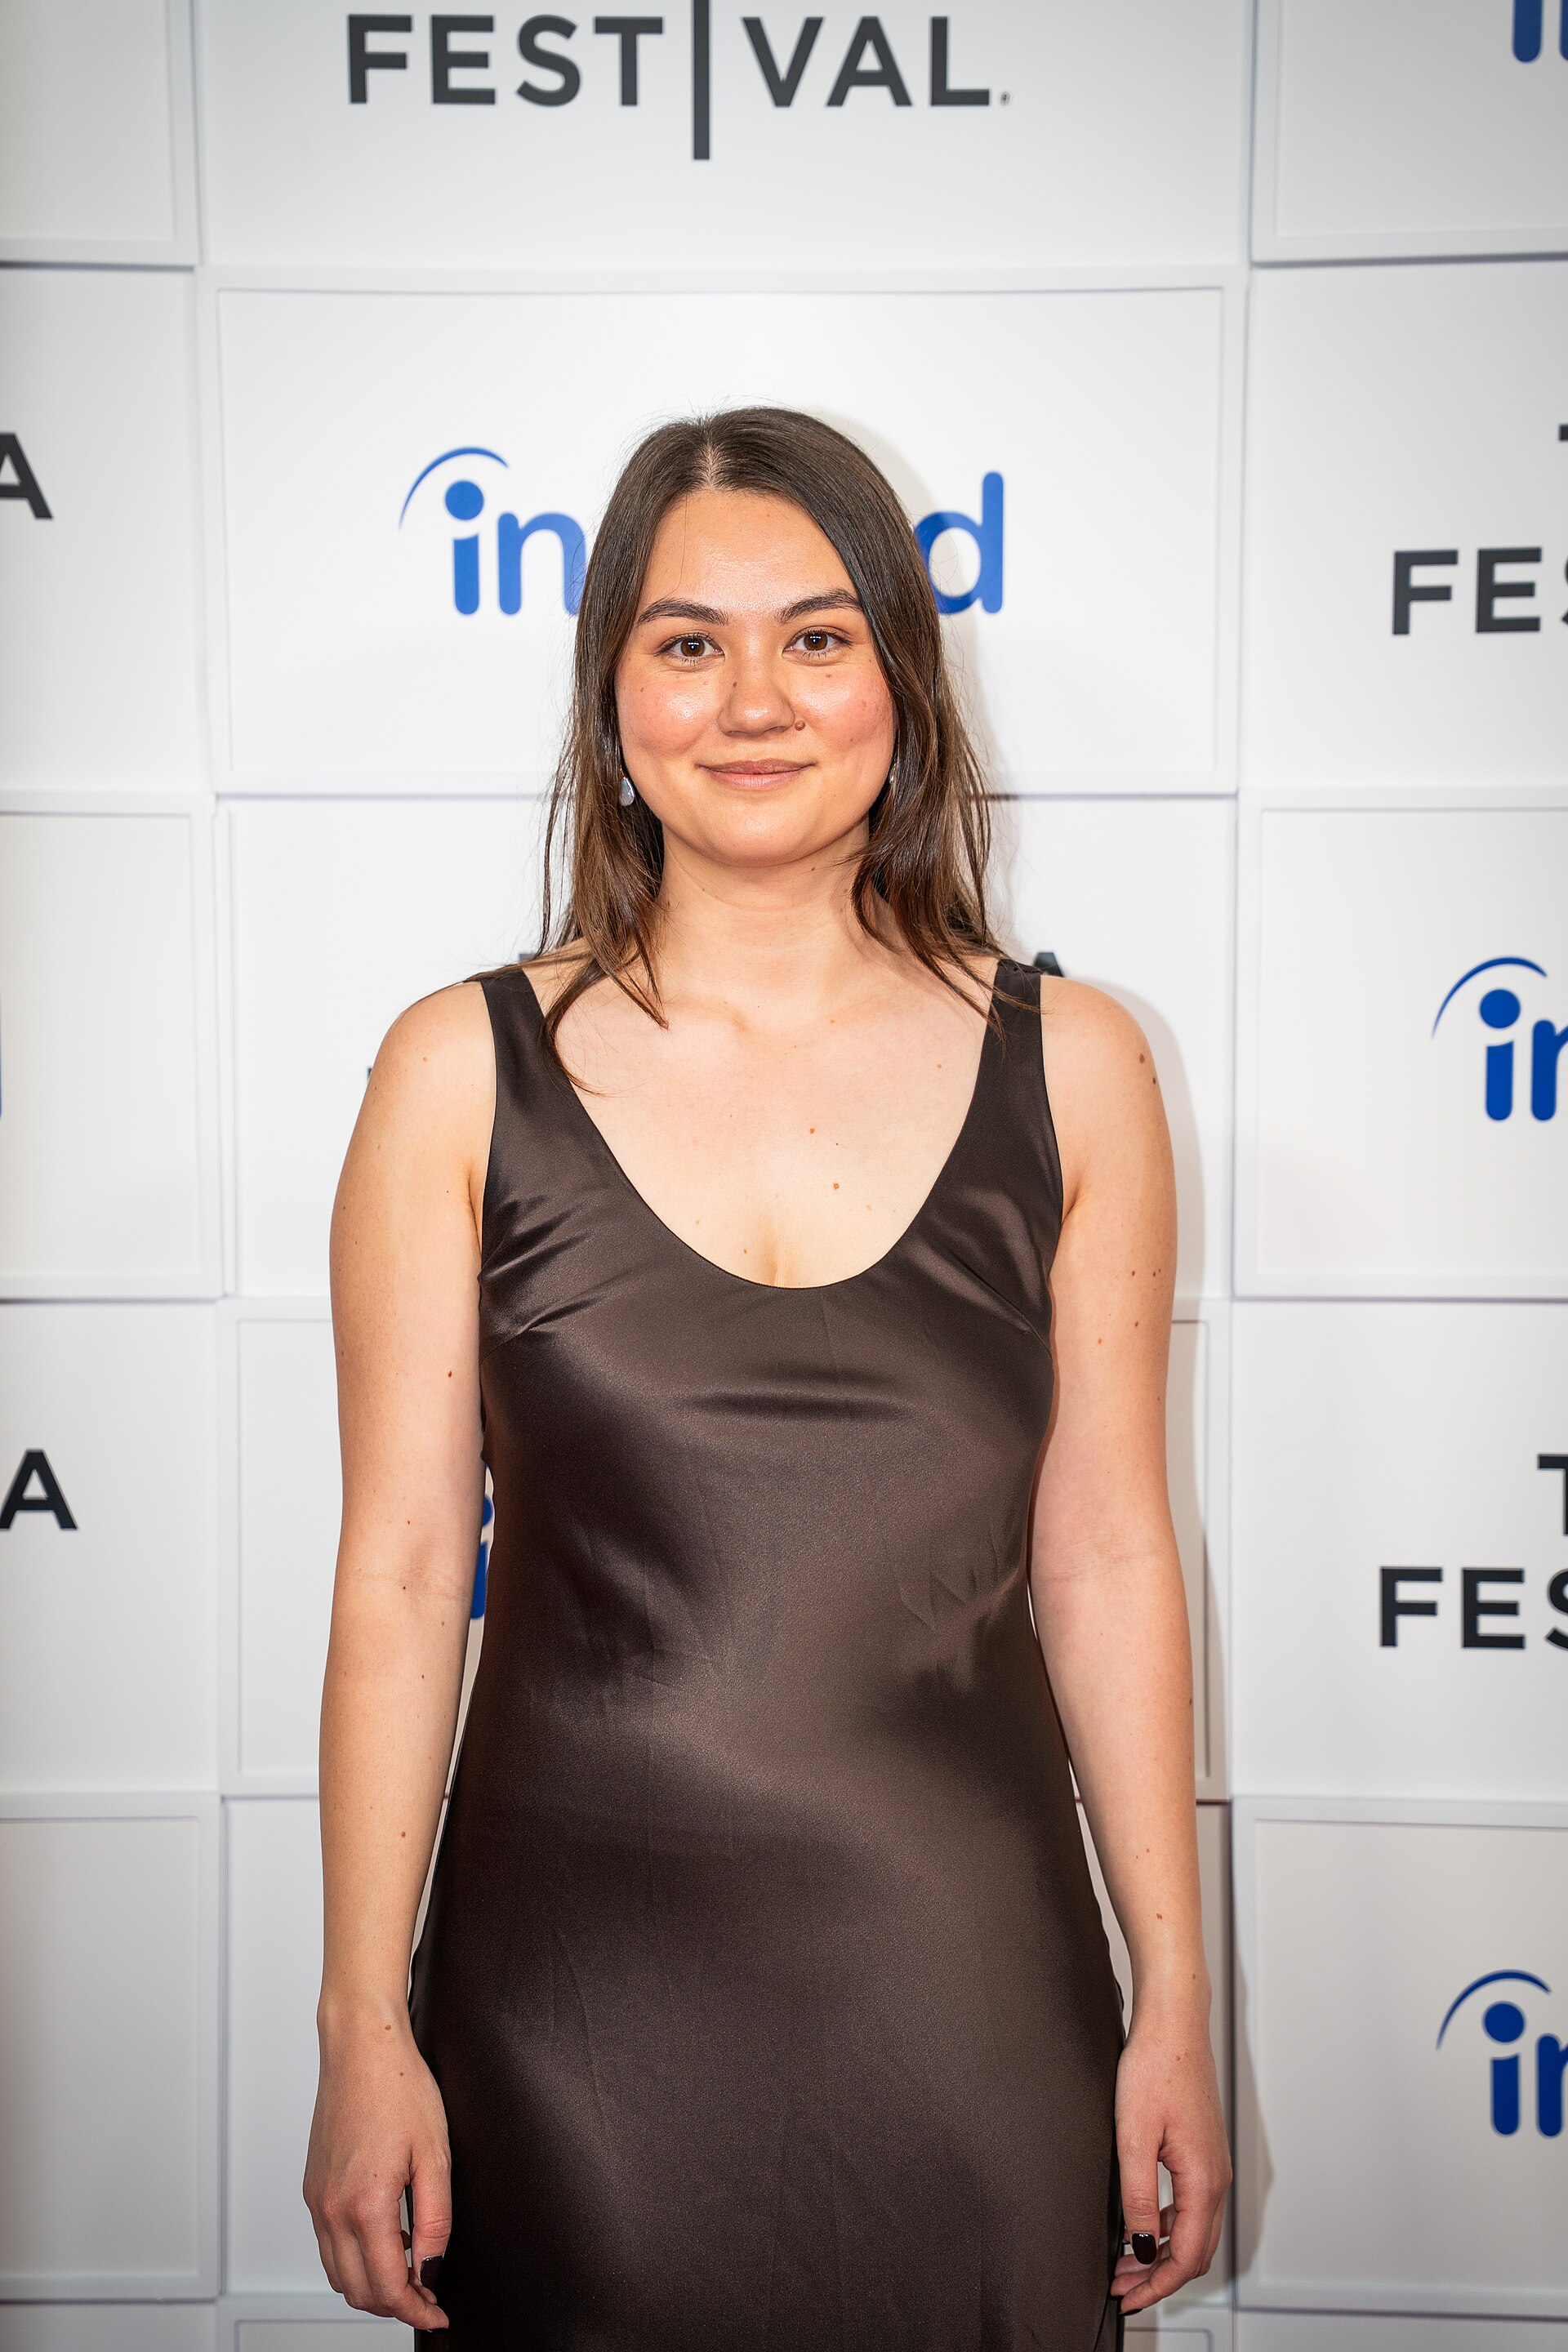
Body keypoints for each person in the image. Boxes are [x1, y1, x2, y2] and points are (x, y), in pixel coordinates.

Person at [304, 406, 1230, 2347]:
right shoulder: (457, 1072)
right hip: (569, 2009)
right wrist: (362, 2023)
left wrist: (1174, 1999)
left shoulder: (1079, 1068)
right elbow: (400, 1574)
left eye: (817, 636)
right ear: (611, 694)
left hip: (968, 1999)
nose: (753, 701)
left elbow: (1107, 1560)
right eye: (686, 642)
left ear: (904, 678)